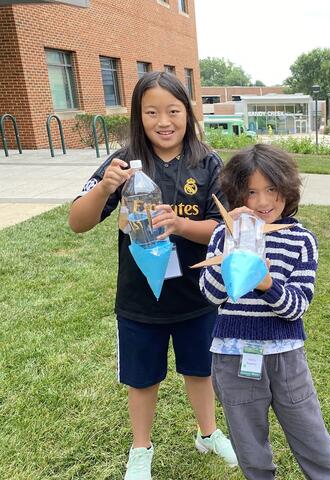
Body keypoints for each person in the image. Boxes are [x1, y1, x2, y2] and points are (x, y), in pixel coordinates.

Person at [68, 72, 237, 480]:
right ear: (137, 116)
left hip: (197, 295)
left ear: (188, 112)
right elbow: (78, 221)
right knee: (142, 379)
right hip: (140, 298)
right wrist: (104, 188)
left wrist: (179, 226)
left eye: (173, 110)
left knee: (201, 370)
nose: (164, 121)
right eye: (152, 112)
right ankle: (140, 449)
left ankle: (208, 433)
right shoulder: (122, 164)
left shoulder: (207, 161)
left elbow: (226, 226)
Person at [199, 144, 330, 480]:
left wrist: (267, 285)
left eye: (271, 190)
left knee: (313, 438)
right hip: (233, 357)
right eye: (251, 192)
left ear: (287, 190)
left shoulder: (301, 240)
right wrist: (233, 246)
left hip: (286, 358)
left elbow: (296, 306)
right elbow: (210, 294)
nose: (263, 202)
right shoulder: (225, 233)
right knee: (250, 448)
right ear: (237, 194)